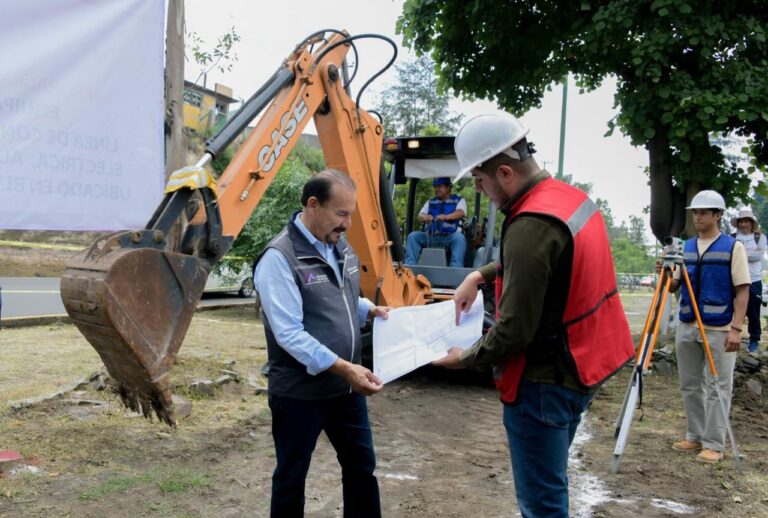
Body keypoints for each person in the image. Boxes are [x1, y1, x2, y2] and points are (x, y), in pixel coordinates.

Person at [432, 112, 634, 517]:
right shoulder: (569, 199)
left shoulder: (529, 224)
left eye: (480, 179)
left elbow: (514, 332)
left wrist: (463, 359)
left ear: (504, 172)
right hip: (587, 361)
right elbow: (547, 262)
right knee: (551, 481)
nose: (480, 188)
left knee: (542, 503)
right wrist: (480, 274)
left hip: (545, 380)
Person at [254, 169, 390, 518]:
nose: (347, 223)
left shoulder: (340, 246)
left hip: (345, 390)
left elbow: (342, 296)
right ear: (313, 205)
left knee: (362, 468)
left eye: (351, 215)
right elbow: (289, 333)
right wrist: (345, 368)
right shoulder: (279, 258)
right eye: (341, 214)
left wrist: (369, 310)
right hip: (300, 393)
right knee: (291, 476)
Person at [664, 190, 749, 463]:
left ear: (718, 215)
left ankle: (714, 443)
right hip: (687, 323)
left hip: (720, 326)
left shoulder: (732, 248)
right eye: (695, 212)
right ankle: (695, 435)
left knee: (718, 386)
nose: (698, 216)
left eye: (703, 212)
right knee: (690, 384)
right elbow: (673, 286)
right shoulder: (685, 247)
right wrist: (665, 273)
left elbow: (743, 291)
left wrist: (736, 328)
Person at [404, 177, 467, 267]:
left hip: (449, 237)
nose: (437, 189)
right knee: (413, 236)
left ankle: (455, 268)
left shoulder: (459, 200)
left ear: (448, 187)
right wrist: (426, 217)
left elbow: (461, 212)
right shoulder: (430, 202)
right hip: (431, 237)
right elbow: (420, 215)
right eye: (435, 187)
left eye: (440, 186)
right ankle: (410, 266)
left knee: (459, 238)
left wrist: (446, 217)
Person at [730, 207, 766, 353]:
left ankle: (754, 340)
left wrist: (740, 253)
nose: (744, 224)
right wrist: (749, 253)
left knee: (753, 312)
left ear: (752, 223)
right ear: (738, 223)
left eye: (747, 221)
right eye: (741, 221)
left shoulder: (760, 237)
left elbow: (758, 256)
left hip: (754, 280)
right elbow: (731, 256)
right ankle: (729, 335)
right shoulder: (732, 238)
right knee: (730, 309)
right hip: (734, 279)